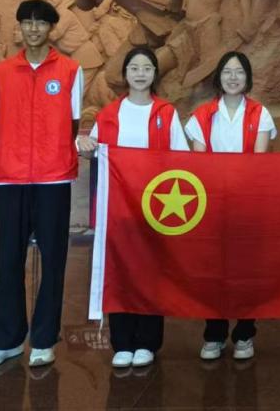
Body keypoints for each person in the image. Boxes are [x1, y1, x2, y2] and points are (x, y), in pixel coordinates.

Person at [0, 0, 83, 369]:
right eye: (27, 22)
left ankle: (44, 339)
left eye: (41, 23)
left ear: (51, 29)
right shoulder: (1, 72)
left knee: (53, 261)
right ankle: (5, 340)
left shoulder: (70, 71)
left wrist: (55, 152)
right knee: (8, 260)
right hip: (11, 177)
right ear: (19, 27)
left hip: (53, 177)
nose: (33, 29)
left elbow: (73, 122)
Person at [77, 47, 189, 369]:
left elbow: (181, 159)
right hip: (117, 208)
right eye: (134, 68)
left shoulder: (166, 113)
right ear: (125, 74)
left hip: (156, 209)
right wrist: (84, 146)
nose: (141, 74)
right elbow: (95, 152)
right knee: (119, 272)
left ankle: (148, 342)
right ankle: (122, 341)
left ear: (155, 74)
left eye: (147, 68)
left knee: (151, 273)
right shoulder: (109, 115)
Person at [185, 51, 276, 360]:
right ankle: (214, 334)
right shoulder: (202, 115)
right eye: (227, 72)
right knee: (214, 270)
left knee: (248, 270)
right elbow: (199, 164)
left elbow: (259, 162)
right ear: (219, 77)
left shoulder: (260, 113)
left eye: (239, 72)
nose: (233, 77)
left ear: (247, 77)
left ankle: (245, 334)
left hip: (249, 203)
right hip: (212, 204)